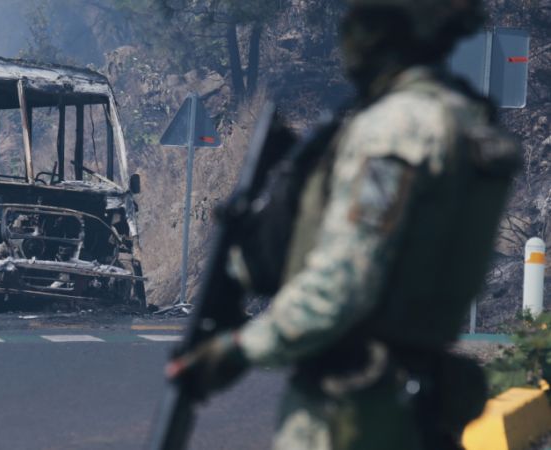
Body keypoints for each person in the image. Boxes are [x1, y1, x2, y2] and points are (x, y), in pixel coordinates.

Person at [167, 0, 521, 449]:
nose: (347, 39)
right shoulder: (467, 121)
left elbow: (345, 282)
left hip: (351, 411)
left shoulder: (397, 129)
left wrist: (239, 350)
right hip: (418, 402)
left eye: (361, 21)